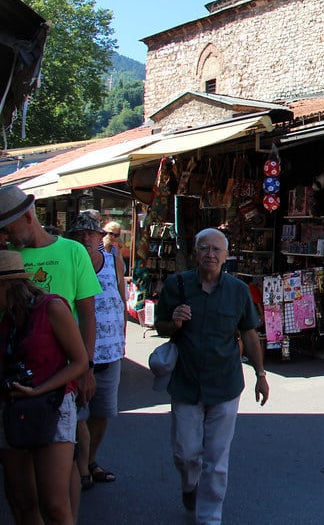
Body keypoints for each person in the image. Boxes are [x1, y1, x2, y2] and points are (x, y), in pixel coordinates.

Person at [0, 184, 101, 521]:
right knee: (22, 491)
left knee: (61, 474)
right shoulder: (6, 260)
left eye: (9, 229)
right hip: (16, 377)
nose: (6, 237)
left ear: (28, 218)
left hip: (62, 376)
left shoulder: (72, 252)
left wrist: (85, 368)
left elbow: (87, 313)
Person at [154, 228, 269, 524]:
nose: (211, 254)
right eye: (205, 248)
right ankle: (190, 484)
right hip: (186, 382)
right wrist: (174, 323)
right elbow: (160, 326)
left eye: (217, 249)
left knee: (216, 460)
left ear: (227, 256)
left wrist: (260, 374)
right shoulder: (176, 285)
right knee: (185, 454)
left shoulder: (238, 291)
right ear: (196, 252)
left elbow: (250, 334)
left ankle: (210, 517)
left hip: (225, 383)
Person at [68, 211, 126, 489]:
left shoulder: (113, 259)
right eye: (79, 235)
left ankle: (90, 460)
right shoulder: (69, 263)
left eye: (90, 234)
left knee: (103, 412)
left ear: (99, 237)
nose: (85, 239)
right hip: (77, 352)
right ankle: (80, 468)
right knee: (78, 412)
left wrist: (123, 339)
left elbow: (121, 298)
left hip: (111, 350)